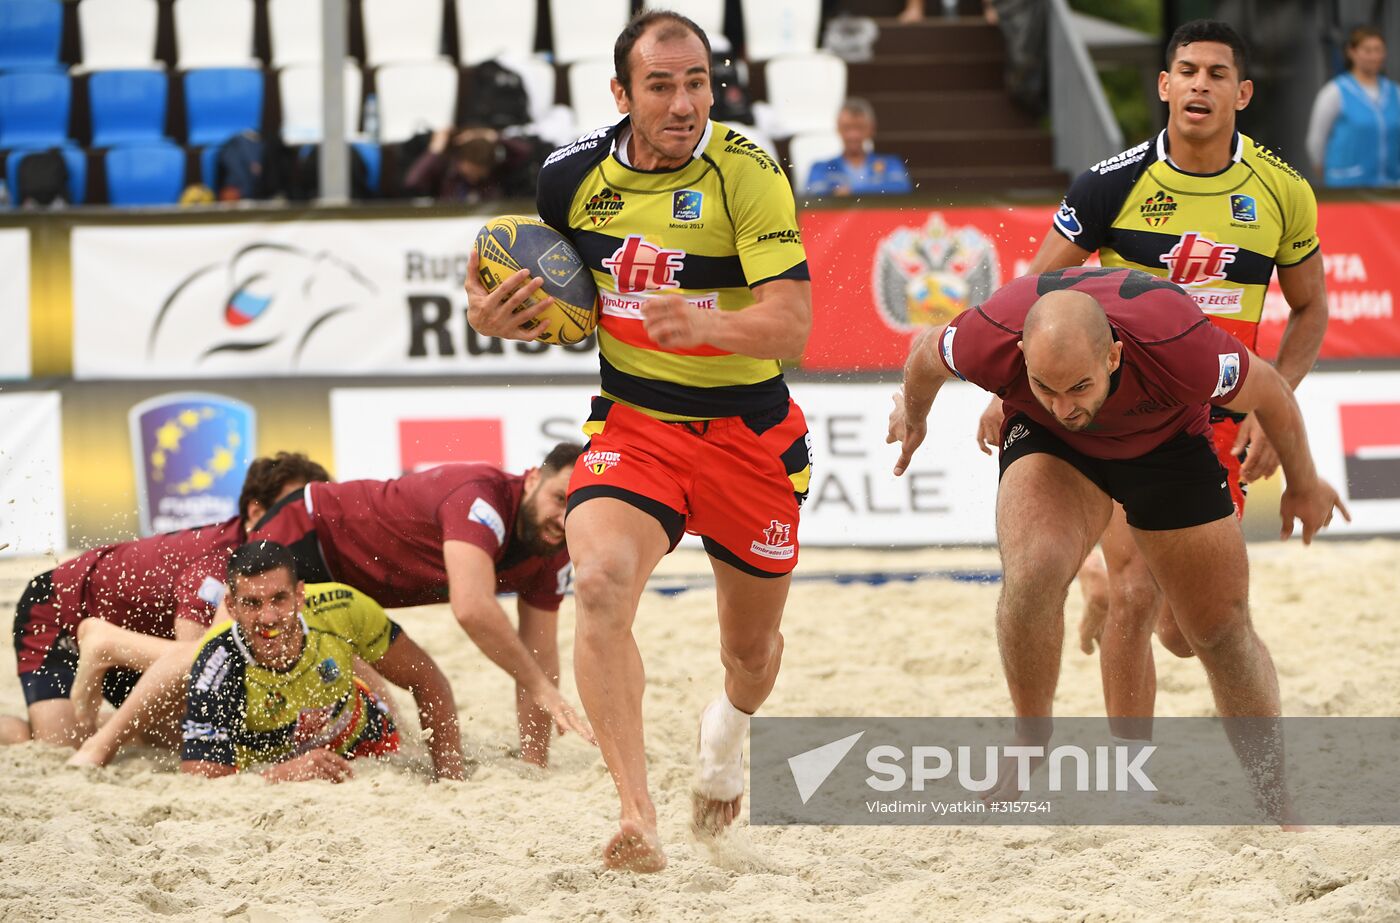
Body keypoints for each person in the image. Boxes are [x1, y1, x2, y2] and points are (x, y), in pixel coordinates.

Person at [465, 10, 814, 871]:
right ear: (621, 94)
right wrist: (485, 314)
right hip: (635, 425)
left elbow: (794, 324)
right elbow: (519, 280)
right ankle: (635, 812)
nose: (685, 101)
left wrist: (709, 324)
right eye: (661, 85)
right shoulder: (570, 177)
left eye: (697, 81)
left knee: (751, 654)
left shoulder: (749, 171)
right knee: (603, 583)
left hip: (749, 437)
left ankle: (727, 729)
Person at [976, 19, 1329, 745]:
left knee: (1186, 631)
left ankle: (1101, 587)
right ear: (1165, 86)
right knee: (1137, 586)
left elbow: (1312, 306)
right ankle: (1129, 771)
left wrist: (1274, 403)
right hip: (1117, 409)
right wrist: (1003, 389)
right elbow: (1038, 293)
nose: (1201, 84)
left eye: (1217, 74)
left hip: (1217, 414)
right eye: (1188, 71)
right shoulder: (1111, 183)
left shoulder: (1282, 191)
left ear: (1243, 92)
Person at [888, 266, 1348, 822]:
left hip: (1166, 446)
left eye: (1078, 386)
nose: (1065, 403)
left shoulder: (1178, 345)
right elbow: (925, 356)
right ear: (1022, 358)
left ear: (1112, 357)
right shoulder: (993, 337)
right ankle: (1032, 738)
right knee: (1034, 571)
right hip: (1050, 445)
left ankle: (1277, 799)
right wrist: (913, 419)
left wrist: (1302, 485)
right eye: (1044, 385)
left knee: (1214, 632)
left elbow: (1272, 392)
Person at [247, 444, 590, 768]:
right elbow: (472, 608)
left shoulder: (553, 546)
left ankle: (451, 782)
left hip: (349, 594)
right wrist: (542, 688)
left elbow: (539, 652)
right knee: (230, 651)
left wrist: (536, 765)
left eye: (574, 507)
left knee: (426, 684)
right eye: (558, 498)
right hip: (306, 530)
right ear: (532, 479)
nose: (562, 519)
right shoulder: (482, 498)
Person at [3, 452, 330, 748]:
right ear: (255, 512)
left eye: (311, 513)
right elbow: (197, 663)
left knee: (172, 740)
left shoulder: (274, 564)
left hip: (136, 638)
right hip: (59, 609)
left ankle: (97, 677)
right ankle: (94, 658)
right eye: (294, 510)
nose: (306, 524)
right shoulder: (225, 559)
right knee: (55, 746)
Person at [181, 541, 465, 782]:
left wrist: (450, 778)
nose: (268, 618)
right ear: (231, 606)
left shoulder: (342, 607)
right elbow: (203, 779)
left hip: (368, 746)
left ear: (300, 596)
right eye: (252, 603)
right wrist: (281, 774)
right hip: (277, 772)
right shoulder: (216, 660)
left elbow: (427, 678)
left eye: (279, 599)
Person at [1306, 25, 1400, 187]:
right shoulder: (1334, 92)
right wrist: (1326, 174)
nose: (1374, 56)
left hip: (1389, 188)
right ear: (1352, 52)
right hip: (1348, 188)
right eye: (1367, 50)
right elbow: (1316, 141)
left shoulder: (1395, 93)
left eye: (1378, 50)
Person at [804, 98, 913, 197]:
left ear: (871, 129)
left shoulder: (890, 163)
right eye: (847, 128)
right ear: (838, 129)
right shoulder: (820, 167)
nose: (853, 135)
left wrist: (850, 191)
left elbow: (902, 187)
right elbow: (813, 191)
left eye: (859, 128)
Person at [402, 126, 539, 203]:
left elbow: (526, 152)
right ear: (460, 161)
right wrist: (435, 149)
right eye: (470, 172)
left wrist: (492, 135)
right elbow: (413, 182)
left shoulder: (496, 174)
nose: (474, 178)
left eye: (479, 174)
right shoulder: (446, 169)